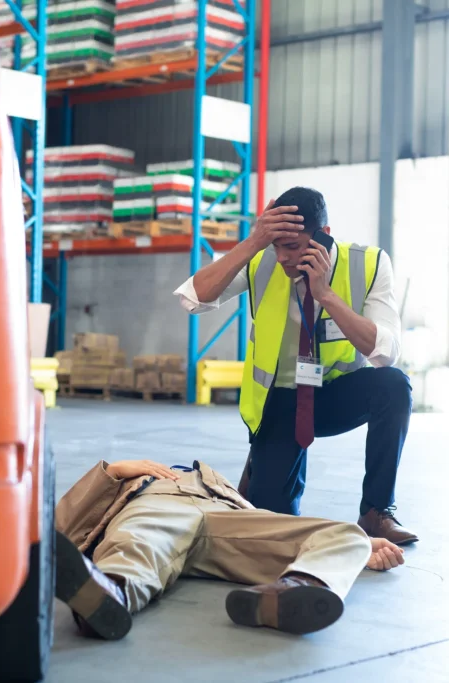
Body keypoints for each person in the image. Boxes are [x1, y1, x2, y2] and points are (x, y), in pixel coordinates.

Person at [173, 186, 417, 545]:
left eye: (293, 246)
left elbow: (385, 353)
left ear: (324, 236)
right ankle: (262, 463)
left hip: (336, 397)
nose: (283, 257)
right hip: (281, 404)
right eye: (277, 246)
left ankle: (376, 512)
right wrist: (254, 242)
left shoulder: (369, 264)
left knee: (394, 385)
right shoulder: (261, 260)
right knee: (271, 531)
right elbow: (192, 300)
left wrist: (326, 295)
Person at [55, 459, 405, 641]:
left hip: (226, 516)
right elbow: (63, 524)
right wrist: (114, 470)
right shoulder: (136, 482)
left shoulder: (220, 485)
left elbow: (279, 529)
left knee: (346, 532)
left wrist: (358, 549)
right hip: (156, 505)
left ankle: (298, 586)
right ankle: (108, 597)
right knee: (136, 543)